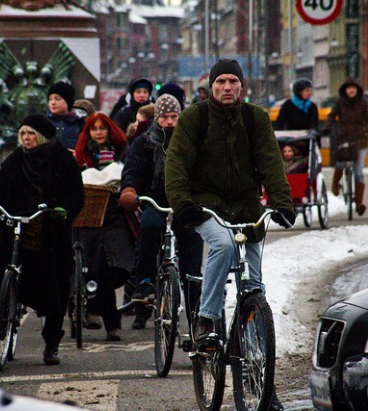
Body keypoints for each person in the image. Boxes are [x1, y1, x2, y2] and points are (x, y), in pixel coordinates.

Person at [164, 59, 293, 411]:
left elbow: (270, 162)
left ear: (242, 86)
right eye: (220, 81)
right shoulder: (195, 117)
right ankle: (207, 319)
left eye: (233, 81)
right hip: (204, 205)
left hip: (247, 208)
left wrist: (282, 203)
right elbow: (176, 163)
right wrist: (182, 203)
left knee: (255, 289)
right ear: (211, 85)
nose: (227, 87)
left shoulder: (256, 118)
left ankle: (260, 377)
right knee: (221, 245)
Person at [0, 114, 84, 365]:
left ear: (42, 136)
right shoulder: (14, 161)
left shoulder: (62, 159)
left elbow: (75, 194)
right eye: (23, 133)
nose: (26, 139)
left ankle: (51, 345)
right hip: (16, 229)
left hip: (50, 233)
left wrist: (63, 211)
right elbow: (0, 193)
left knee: (55, 288)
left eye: (31, 134)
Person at [119, 94, 204, 330]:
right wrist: (129, 189)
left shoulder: (190, 141)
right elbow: (133, 169)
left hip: (186, 205)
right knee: (148, 228)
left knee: (191, 267)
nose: (169, 122)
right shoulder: (144, 142)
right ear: (157, 118)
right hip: (155, 201)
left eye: (174, 117)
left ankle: (197, 318)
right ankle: (145, 282)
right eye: (164, 117)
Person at [73, 113, 134, 341]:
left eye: (102, 128)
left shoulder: (122, 153)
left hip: (116, 215)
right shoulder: (82, 157)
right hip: (88, 216)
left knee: (115, 266)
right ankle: (111, 322)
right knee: (93, 267)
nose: (98, 132)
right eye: (93, 129)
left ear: (110, 130)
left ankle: (95, 307)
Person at [324, 77, 368, 216]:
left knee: (358, 172)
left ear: (357, 90)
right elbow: (331, 116)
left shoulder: (363, 104)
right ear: (345, 90)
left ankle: (359, 203)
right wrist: (328, 127)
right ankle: (335, 185)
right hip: (344, 139)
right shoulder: (339, 103)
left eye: (354, 88)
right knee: (340, 163)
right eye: (349, 88)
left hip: (360, 140)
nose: (351, 90)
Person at [47, 81, 85, 150]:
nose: (53, 102)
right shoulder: (45, 122)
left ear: (68, 101)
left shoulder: (80, 123)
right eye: (50, 99)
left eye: (57, 99)